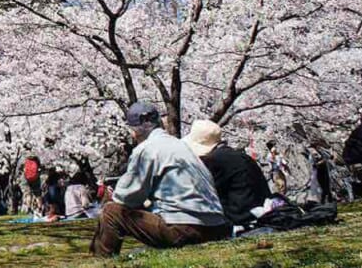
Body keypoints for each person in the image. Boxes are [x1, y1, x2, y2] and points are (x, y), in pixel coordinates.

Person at [89, 102, 230, 258]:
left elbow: (126, 197)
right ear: (160, 123)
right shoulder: (180, 145)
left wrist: (112, 194)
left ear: (134, 132)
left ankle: (102, 261)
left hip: (186, 228)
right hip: (218, 226)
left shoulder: (146, 149)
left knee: (111, 212)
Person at [184, 119, 271, 228]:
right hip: (259, 213)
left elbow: (203, 194)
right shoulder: (238, 156)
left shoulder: (214, 160)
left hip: (240, 218)